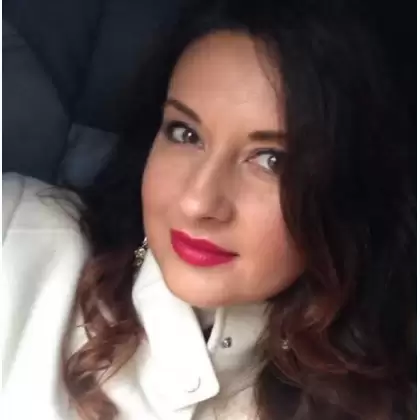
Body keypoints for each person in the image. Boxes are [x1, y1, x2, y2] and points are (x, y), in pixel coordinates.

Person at [1, 0, 415, 419]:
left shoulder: (375, 398)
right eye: (185, 134)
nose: (198, 202)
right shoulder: (16, 235)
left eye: (272, 160)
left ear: (347, 193)